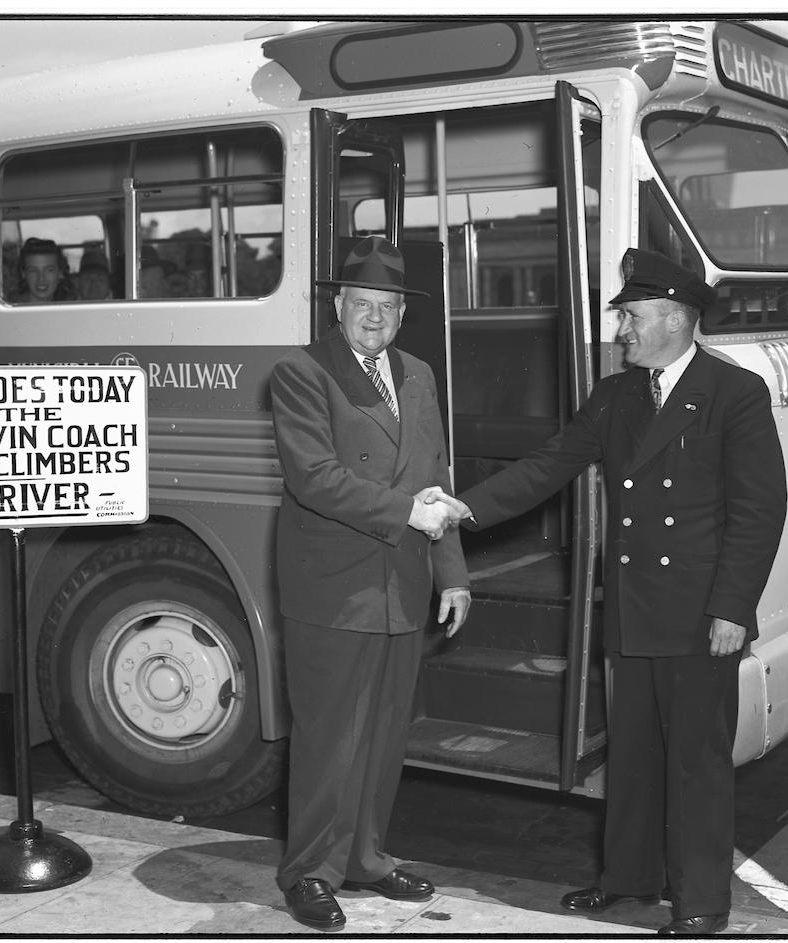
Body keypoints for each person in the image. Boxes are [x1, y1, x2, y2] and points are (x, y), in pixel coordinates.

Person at [434, 248, 788, 936]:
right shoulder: (616, 395)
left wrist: (730, 608)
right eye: (624, 315)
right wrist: (463, 507)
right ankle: (627, 879)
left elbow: (757, 512)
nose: (622, 329)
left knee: (695, 761)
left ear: (678, 319)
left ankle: (702, 902)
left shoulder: (733, 393)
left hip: (698, 613)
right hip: (634, 607)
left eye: (631, 315)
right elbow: (546, 466)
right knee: (632, 752)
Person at [269, 235, 471, 932]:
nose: (375, 319)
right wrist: (406, 512)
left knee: (384, 736)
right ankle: (308, 872)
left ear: (402, 314)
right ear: (337, 304)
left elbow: (435, 471)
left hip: (403, 581)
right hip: (335, 584)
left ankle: (365, 858)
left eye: (388, 307)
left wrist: (452, 572)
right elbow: (314, 476)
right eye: (363, 305)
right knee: (331, 738)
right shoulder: (302, 372)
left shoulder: (416, 373)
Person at [13, 237, 75, 303]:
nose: (41, 279)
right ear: (24, 274)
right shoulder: (9, 309)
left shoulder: (70, 308)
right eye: (33, 271)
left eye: (49, 270)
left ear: (60, 273)